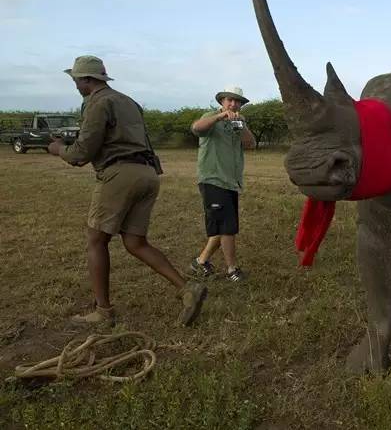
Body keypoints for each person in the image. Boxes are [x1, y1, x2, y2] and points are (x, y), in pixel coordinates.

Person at [48, 55, 207, 327]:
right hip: (147, 173)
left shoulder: (96, 102)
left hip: (119, 174)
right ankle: (186, 289)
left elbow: (81, 154)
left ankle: (103, 312)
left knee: (96, 240)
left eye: (76, 79)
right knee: (135, 242)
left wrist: (58, 149)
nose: (75, 84)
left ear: (86, 79)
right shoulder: (128, 101)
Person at [189, 86, 256, 281]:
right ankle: (232, 269)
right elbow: (196, 128)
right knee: (227, 226)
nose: (234, 104)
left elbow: (250, 144)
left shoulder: (238, 123)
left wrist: (240, 126)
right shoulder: (210, 117)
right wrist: (219, 117)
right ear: (222, 102)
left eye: (238, 102)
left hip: (231, 181)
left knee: (224, 223)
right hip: (213, 178)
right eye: (230, 100)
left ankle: (200, 262)